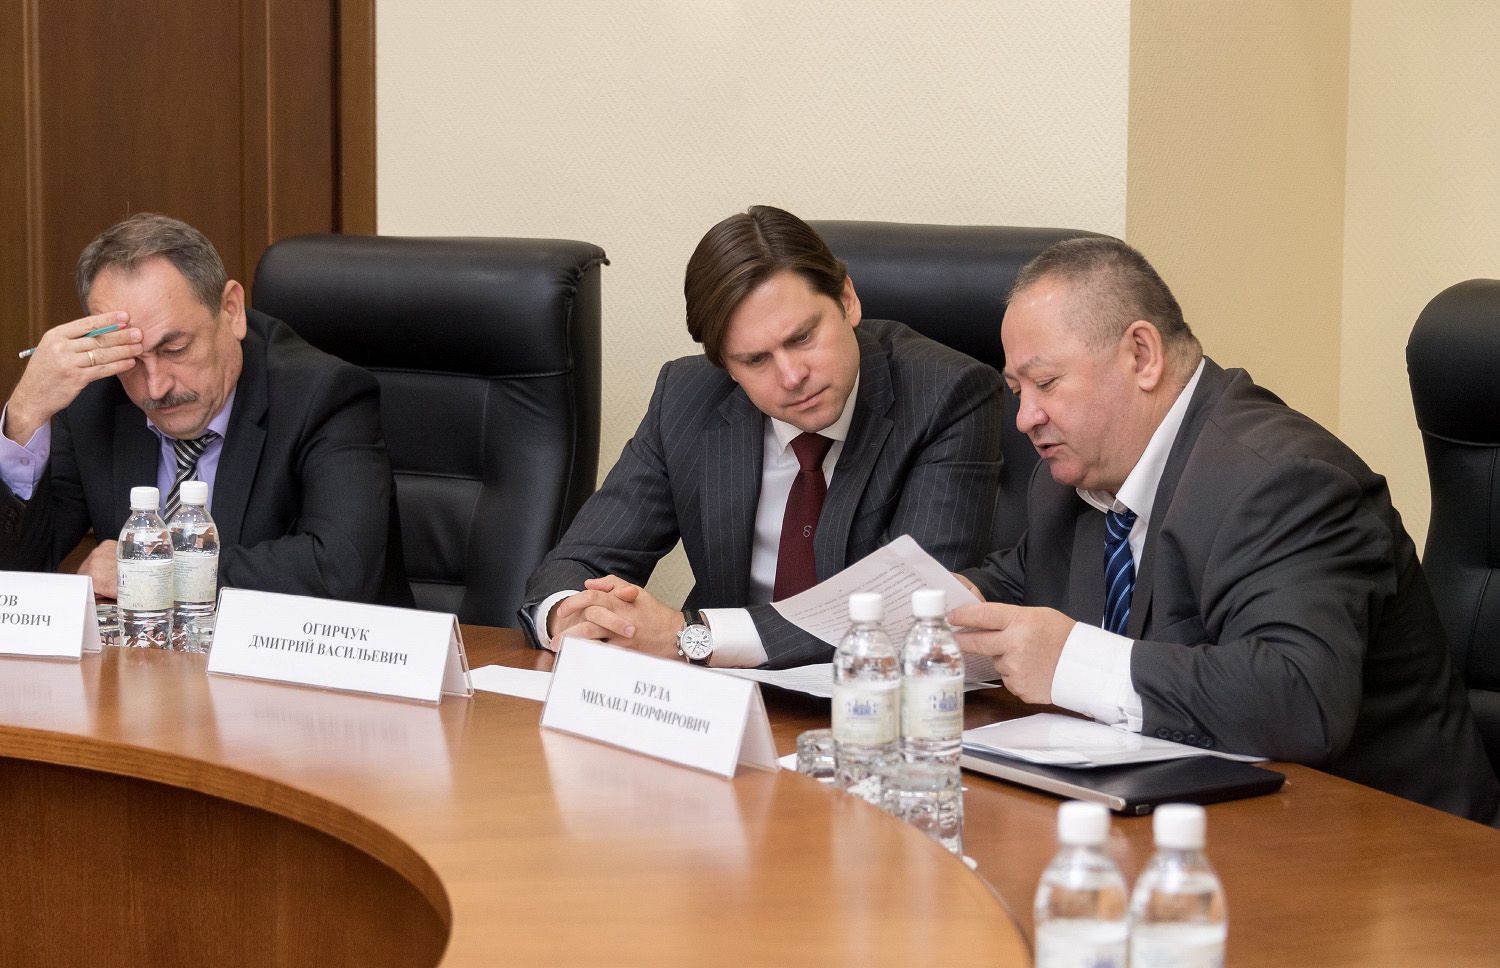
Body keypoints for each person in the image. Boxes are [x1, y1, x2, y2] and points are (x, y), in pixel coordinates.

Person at [950, 236, 1499, 823]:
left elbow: (1297, 699)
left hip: (1392, 845)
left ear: (1142, 355)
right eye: (1017, 392)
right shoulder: (1075, 481)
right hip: (1197, 821)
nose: (1025, 417)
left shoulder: (1286, 482)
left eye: (1046, 383)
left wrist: (1071, 661)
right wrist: (945, 603)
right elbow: (1018, 578)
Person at [521, 205, 1003, 668]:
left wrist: (689, 635)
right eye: (755, 359)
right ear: (725, 367)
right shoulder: (686, 397)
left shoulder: (946, 395)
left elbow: (912, 608)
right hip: (719, 701)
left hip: (869, 699)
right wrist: (573, 615)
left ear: (847, 300)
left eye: (802, 338)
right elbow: (581, 560)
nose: (792, 376)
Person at [0, 213, 409, 606]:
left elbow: (341, 570)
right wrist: (25, 414)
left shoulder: (324, 396)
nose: (156, 387)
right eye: (132, 361)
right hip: (141, 653)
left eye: (175, 349)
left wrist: (154, 568)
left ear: (231, 310)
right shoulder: (95, 396)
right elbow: (17, 573)